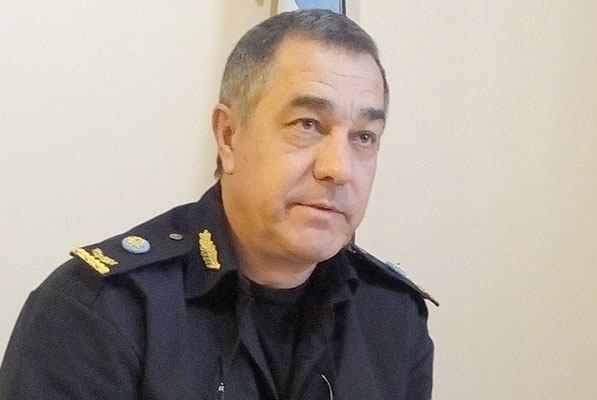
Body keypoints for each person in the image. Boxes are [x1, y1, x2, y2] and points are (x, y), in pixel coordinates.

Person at [0, 9, 437, 400]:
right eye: (307, 124)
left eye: (364, 137)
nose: (338, 168)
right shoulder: (101, 311)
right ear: (228, 136)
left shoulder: (392, 319)